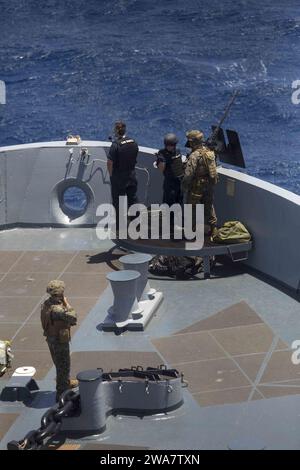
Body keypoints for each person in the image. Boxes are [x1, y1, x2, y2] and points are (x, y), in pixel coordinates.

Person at [41, 280, 78, 402]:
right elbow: (73, 317)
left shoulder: (46, 304)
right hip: (59, 342)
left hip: (51, 339)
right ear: (59, 293)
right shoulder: (57, 309)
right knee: (63, 366)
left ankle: (66, 382)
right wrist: (67, 304)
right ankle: (62, 394)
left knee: (59, 364)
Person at [182, 130, 218, 237]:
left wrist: (183, 186)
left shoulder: (194, 155)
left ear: (192, 142)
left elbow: (188, 174)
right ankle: (213, 229)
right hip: (208, 185)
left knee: (191, 207)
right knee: (209, 206)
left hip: (196, 186)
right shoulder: (209, 153)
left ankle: (189, 231)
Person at [107, 121, 139, 226]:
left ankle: (120, 226)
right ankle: (136, 224)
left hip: (119, 178)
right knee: (133, 200)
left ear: (116, 131)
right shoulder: (134, 142)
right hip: (131, 175)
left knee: (118, 202)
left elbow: (110, 162)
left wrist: (111, 175)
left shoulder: (115, 145)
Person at [156, 133, 184, 206]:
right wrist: (161, 160)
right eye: (168, 145)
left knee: (175, 204)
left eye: (170, 145)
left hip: (176, 183)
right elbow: (162, 169)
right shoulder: (164, 153)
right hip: (173, 183)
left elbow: (162, 169)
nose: (169, 147)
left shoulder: (175, 151)